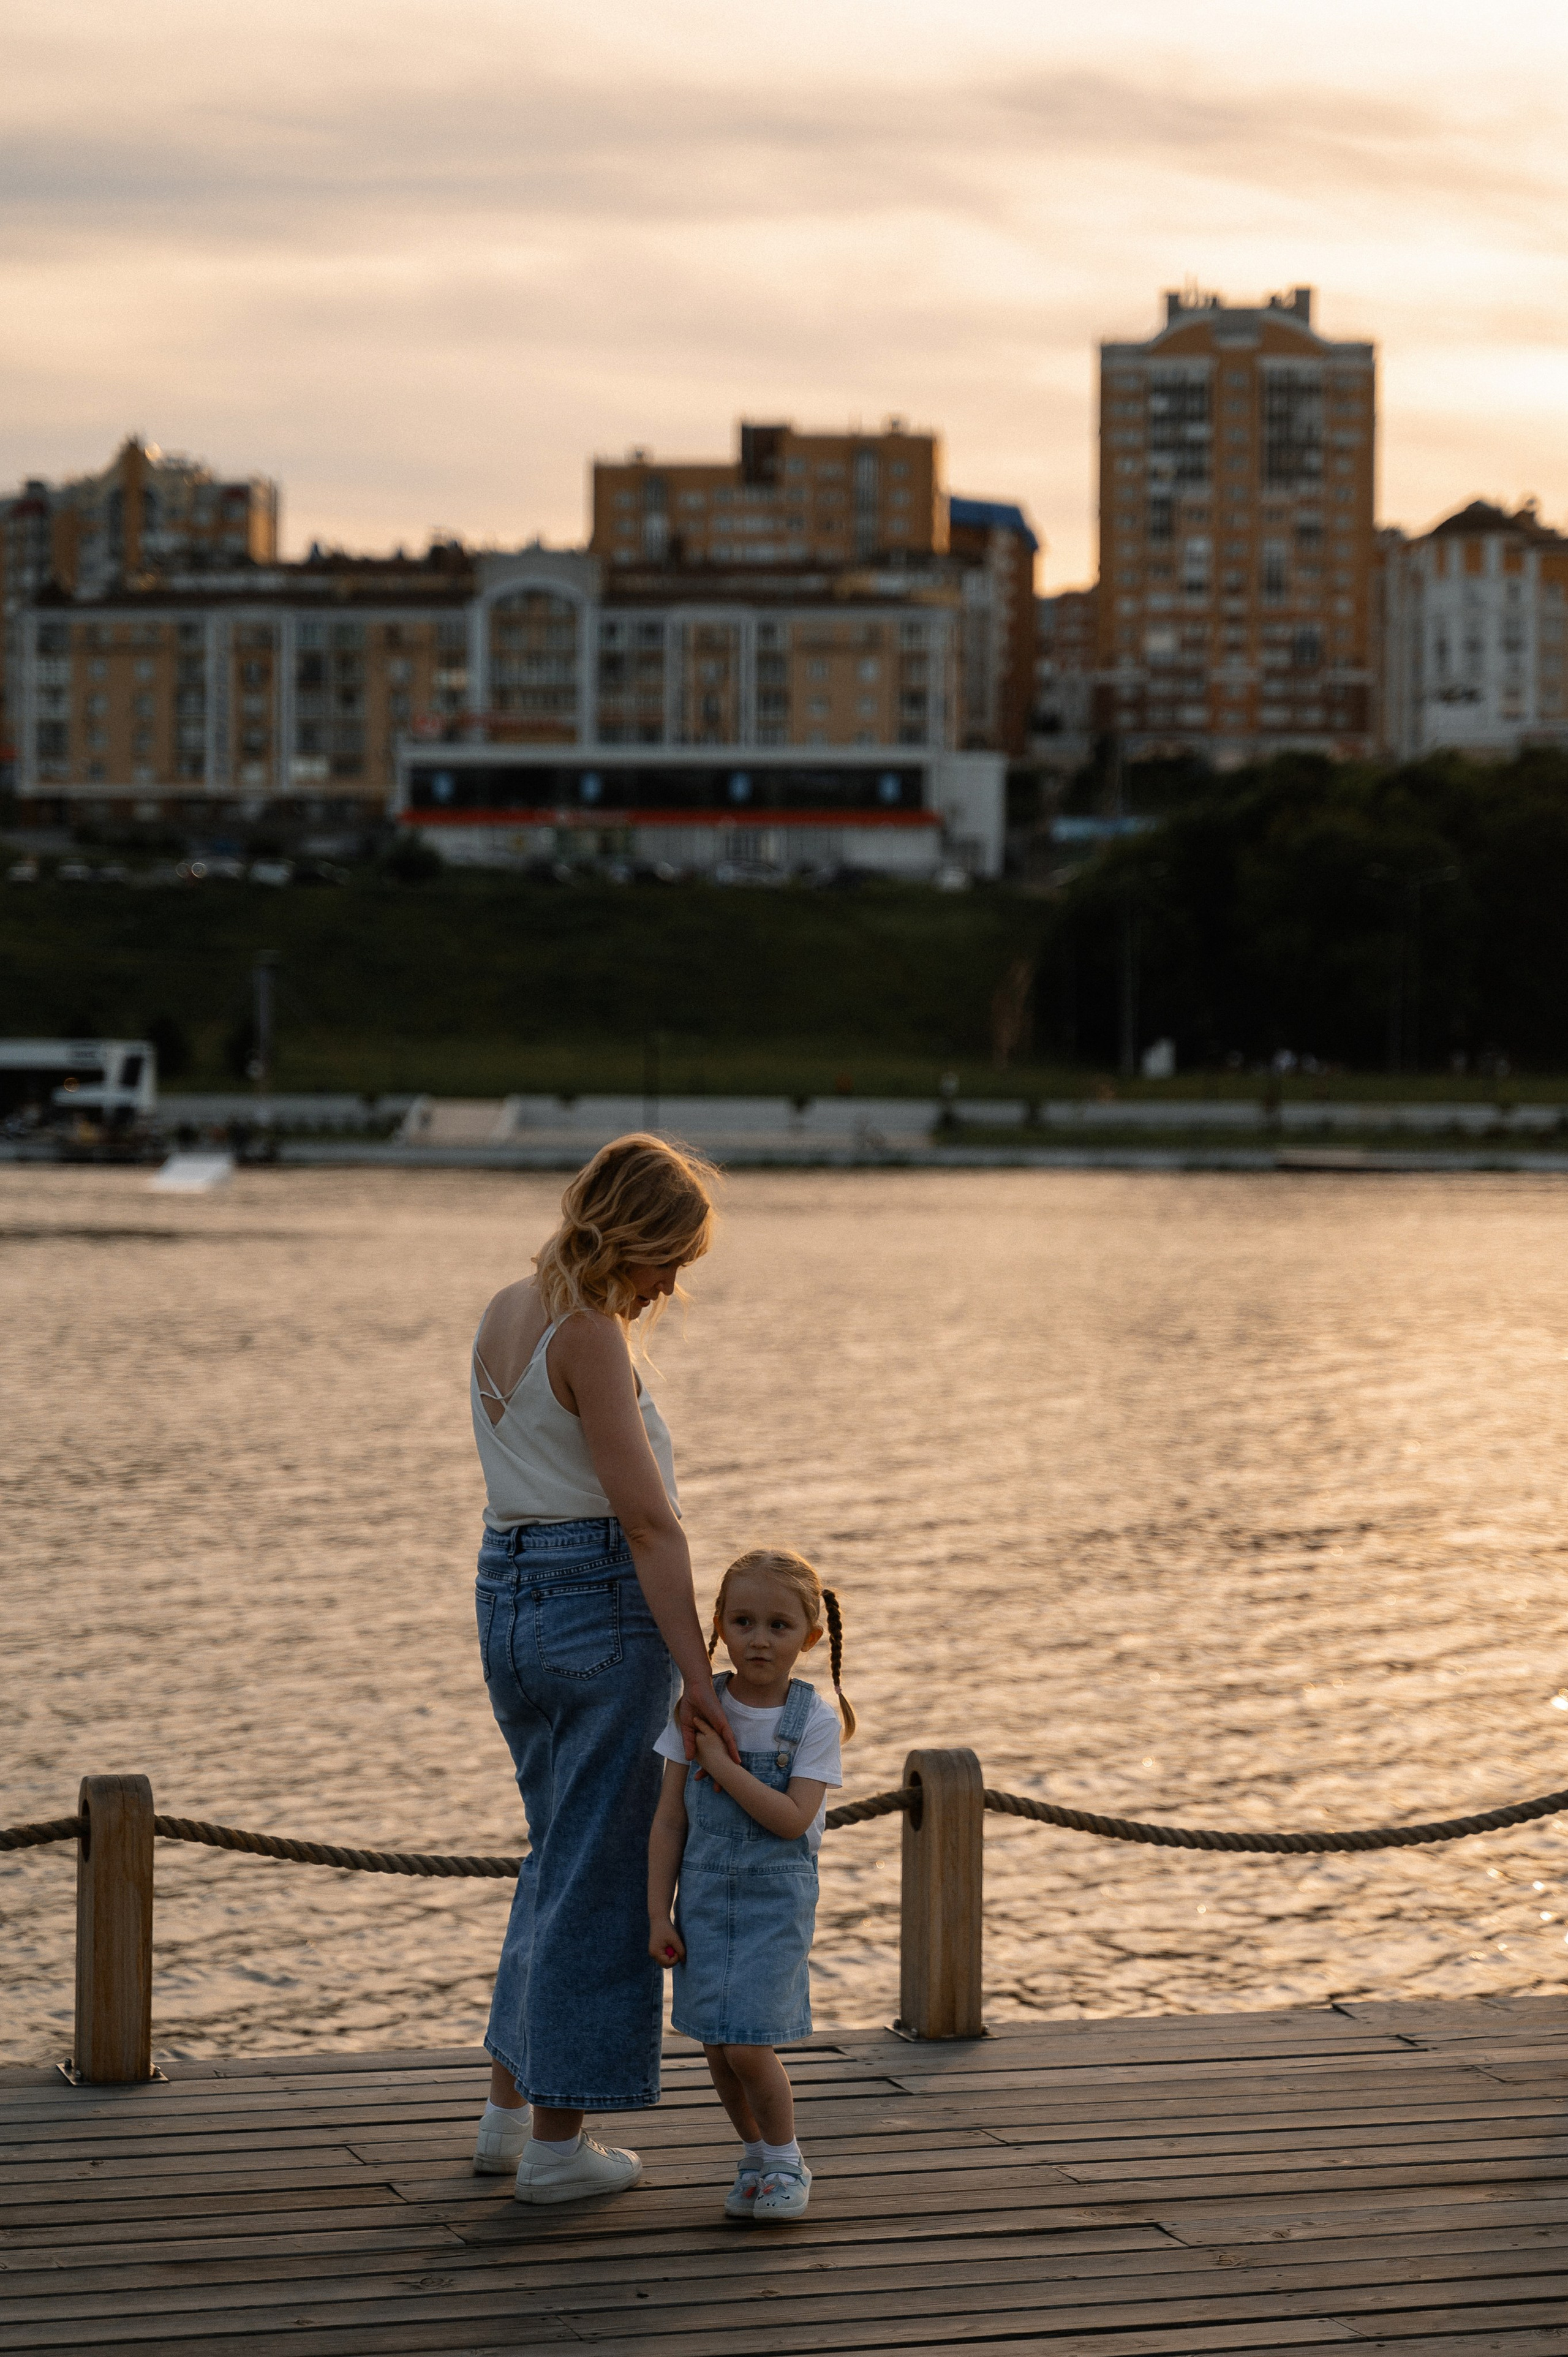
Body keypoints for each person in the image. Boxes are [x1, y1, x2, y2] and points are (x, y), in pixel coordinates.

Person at [468, 1134, 739, 2205]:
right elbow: (646, 1521)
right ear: (634, 1236)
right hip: (594, 1603)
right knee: (603, 1870)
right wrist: (701, 1677)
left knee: (557, 1854)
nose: (673, 1283)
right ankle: (557, 2144)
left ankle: (505, 2115)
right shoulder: (590, 1335)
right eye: (671, 1257)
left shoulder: (504, 1306)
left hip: (508, 1589)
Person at [647, 1547, 854, 2222]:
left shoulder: (813, 1724)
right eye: (742, 1620)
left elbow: (793, 1820)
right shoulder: (701, 1706)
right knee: (715, 2042)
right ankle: (756, 2154)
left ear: (810, 1637)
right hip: (703, 1898)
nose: (758, 1638)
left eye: (778, 1625)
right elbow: (671, 1818)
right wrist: (659, 1912)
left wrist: (721, 1763)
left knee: (747, 2042)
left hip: (774, 1901)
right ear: (718, 1625)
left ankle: (788, 2154)